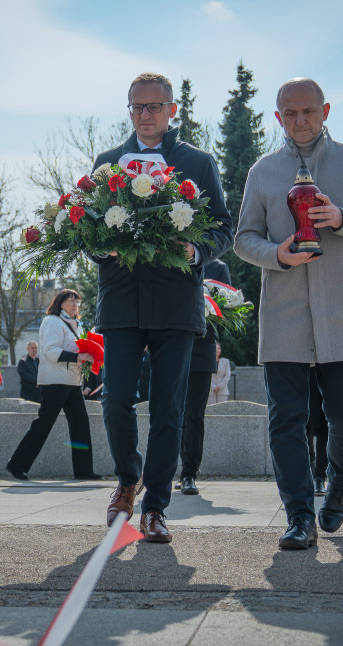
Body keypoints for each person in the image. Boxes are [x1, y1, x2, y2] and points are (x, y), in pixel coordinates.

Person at [233, 77, 343, 550]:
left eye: (309, 111)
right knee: (286, 419)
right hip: (284, 316)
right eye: (290, 113)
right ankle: (299, 517)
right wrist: (277, 255)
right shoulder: (263, 172)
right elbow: (245, 238)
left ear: (325, 111)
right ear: (278, 117)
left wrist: (342, 218)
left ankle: (339, 488)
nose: (300, 120)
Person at [95, 73, 233, 543]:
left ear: (172, 110)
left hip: (176, 304)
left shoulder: (197, 162)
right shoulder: (107, 164)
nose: (146, 114)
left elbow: (222, 229)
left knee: (169, 409)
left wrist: (195, 252)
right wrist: (101, 248)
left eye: (155, 106)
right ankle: (126, 479)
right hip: (121, 302)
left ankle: (155, 506)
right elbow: (90, 229)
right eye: (137, 107)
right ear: (129, 109)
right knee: (115, 400)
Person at [5, 289, 101, 481]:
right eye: (70, 300)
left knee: (80, 424)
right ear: (60, 302)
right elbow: (50, 351)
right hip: (55, 382)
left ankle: (83, 470)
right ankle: (16, 465)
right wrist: (78, 356)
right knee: (44, 424)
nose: (75, 304)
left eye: (77, 301)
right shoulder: (52, 321)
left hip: (72, 382)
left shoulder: (74, 325)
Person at [177, 258, 231, 496]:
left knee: (194, 415)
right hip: (171, 345)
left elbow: (226, 308)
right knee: (172, 412)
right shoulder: (169, 256)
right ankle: (169, 468)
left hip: (201, 347)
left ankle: (189, 473)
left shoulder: (217, 267)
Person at [307, 366, 329, 495]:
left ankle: (319, 477)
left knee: (323, 428)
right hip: (303, 371)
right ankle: (308, 474)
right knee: (304, 429)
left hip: (325, 370)